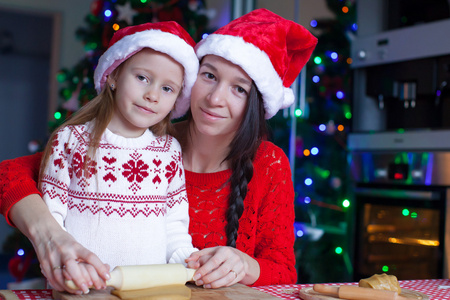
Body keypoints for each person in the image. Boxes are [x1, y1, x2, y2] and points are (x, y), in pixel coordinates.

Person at [0, 8, 317, 292]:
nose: (215, 98)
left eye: (239, 88)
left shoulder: (269, 162)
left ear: (256, 103)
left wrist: (245, 265)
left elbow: (283, 271)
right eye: (209, 76)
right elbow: (9, 175)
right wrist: (51, 238)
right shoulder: (145, 139)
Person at [37, 21, 199, 293]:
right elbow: (52, 220)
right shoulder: (70, 141)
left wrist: (190, 261)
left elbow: (174, 227)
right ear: (113, 76)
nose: (152, 95)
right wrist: (68, 265)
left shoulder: (169, 152)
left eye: (167, 89)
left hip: (150, 292)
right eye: (142, 78)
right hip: (82, 288)